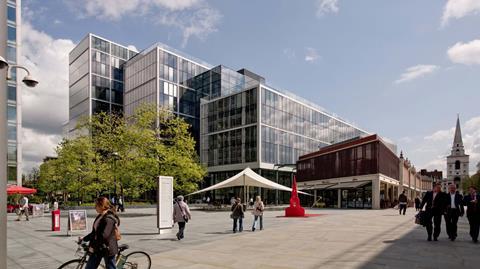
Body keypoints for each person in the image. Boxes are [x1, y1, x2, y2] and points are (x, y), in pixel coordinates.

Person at [80, 197, 120, 269]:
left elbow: (104, 236)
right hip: (98, 247)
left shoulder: (109, 219)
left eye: (96, 205)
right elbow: (95, 232)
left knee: (111, 267)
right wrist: (84, 239)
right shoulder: (100, 216)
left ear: (102, 206)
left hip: (107, 248)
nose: (95, 207)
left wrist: (93, 246)